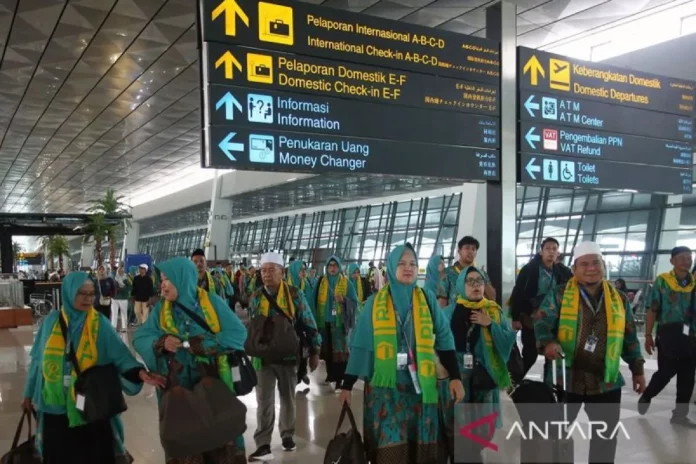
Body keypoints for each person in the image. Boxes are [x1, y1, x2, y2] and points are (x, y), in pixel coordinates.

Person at [21, 272, 165, 464]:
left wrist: (140, 373)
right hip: (54, 406)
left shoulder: (100, 324)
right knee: (58, 455)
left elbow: (121, 355)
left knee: (93, 454)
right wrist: (28, 394)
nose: (88, 299)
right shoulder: (51, 322)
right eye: (82, 293)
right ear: (69, 292)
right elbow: (37, 362)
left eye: (91, 294)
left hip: (91, 405)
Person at [339, 244, 464, 463]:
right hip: (385, 392)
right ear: (391, 267)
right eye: (402, 263)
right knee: (390, 447)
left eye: (413, 264)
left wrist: (455, 377)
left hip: (421, 389)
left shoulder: (427, 299)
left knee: (420, 447)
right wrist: (347, 386)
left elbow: (445, 338)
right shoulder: (374, 303)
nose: (409, 268)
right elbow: (361, 346)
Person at [535, 241, 646, 463]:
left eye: (596, 263)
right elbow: (542, 325)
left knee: (605, 439)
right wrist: (548, 344)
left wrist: (638, 369)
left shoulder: (619, 299)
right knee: (554, 436)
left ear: (603, 265)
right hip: (565, 379)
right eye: (584, 264)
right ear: (574, 269)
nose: (591, 268)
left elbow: (630, 337)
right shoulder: (558, 295)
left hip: (605, 380)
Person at [133, 257, 248, 463]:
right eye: (161, 280)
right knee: (185, 437)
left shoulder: (212, 303)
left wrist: (198, 344)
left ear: (183, 279)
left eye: (167, 279)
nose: (162, 285)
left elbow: (237, 334)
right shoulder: (161, 309)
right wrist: (161, 341)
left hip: (212, 381)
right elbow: (141, 336)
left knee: (218, 435)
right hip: (177, 386)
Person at [247, 252, 322, 461]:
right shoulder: (256, 296)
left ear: (282, 272)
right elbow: (253, 325)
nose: (266, 274)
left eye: (271, 270)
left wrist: (315, 351)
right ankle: (263, 444)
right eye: (263, 270)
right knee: (264, 400)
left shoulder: (294, 294)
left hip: (287, 356)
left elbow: (308, 321)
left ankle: (287, 435)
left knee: (287, 397)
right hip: (262, 357)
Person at [439, 266, 515, 463]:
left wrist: (490, 324)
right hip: (458, 374)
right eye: (470, 281)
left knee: (483, 422)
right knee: (459, 420)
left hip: (484, 374)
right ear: (461, 285)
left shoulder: (493, 311)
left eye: (479, 281)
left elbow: (508, 340)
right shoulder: (448, 313)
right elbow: (439, 343)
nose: (476, 286)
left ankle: (476, 450)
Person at [639, 246, 696, 427]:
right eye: (682, 258)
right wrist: (648, 335)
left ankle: (679, 415)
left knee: (688, 375)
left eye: (689, 258)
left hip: (690, 333)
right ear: (672, 261)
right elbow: (653, 309)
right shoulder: (662, 281)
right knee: (667, 371)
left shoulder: (694, 283)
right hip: (668, 332)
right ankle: (648, 395)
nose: (686, 261)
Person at [510, 237, 572, 376]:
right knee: (530, 354)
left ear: (558, 253)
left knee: (552, 355)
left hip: (554, 319)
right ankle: (515, 382)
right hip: (532, 318)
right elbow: (518, 293)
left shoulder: (562, 271)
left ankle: (549, 385)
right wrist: (516, 317)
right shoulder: (529, 269)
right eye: (547, 249)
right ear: (541, 252)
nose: (551, 252)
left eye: (554, 249)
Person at [313, 255, 360, 389]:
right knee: (328, 350)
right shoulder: (320, 282)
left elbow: (355, 302)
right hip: (324, 322)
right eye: (330, 265)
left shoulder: (347, 283)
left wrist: (343, 300)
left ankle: (340, 378)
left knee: (340, 352)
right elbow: (313, 300)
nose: (332, 268)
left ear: (339, 267)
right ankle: (330, 375)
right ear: (326, 267)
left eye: (335, 266)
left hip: (339, 323)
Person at [287, 259, 313, 388]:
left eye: (304, 270)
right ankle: (293, 376)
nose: (303, 272)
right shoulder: (285, 287)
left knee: (304, 349)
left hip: (304, 322)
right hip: (289, 324)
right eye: (301, 270)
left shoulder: (306, 284)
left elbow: (311, 302)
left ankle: (302, 372)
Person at [447, 236, 496, 301]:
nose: (471, 251)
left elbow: (492, 297)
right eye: (467, 248)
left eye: (473, 249)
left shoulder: (481, 273)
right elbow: (442, 301)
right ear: (459, 251)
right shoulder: (448, 273)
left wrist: (482, 278)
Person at [112, 265, 131, 332]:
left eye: (122, 271)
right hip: (114, 298)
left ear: (123, 271)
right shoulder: (115, 278)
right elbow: (112, 287)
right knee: (114, 313)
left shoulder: (126, 279)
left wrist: (122, 288)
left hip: (123, 298)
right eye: (119, 270)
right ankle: (113, 327)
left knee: (124, 313)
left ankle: (124, 327)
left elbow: (129, 288)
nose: (120, 272)